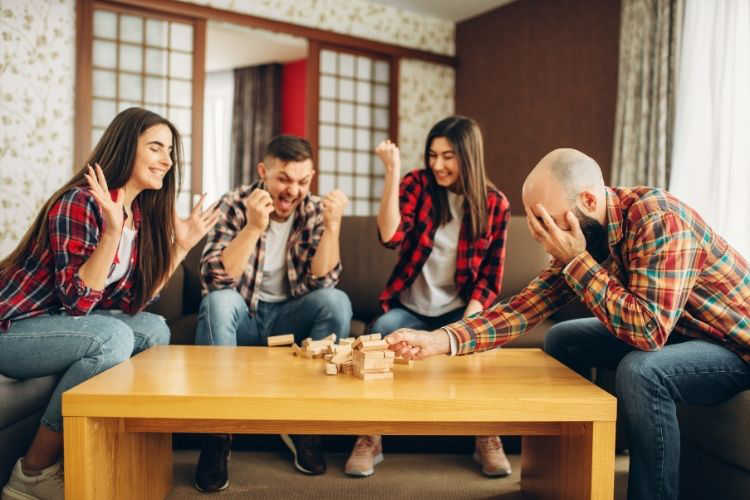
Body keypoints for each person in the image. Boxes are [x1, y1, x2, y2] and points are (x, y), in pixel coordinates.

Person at [385, 148, 750, 500]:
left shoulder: (659, 219)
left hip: (731, 346)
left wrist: (576, 260)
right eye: (535, 221)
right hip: (677, 334)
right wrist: (441, 339)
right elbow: (524, 308)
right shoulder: (586, 232)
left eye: (547, 220)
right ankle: (561, 478)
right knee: (563, 338)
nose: (540, 234)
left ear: (588, 201)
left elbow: (648, 332)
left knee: (642, 371)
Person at [0, 107, 217, 500]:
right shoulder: (80, 203)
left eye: (170, 151)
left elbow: (133, 302)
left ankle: (119, 448)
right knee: (110, 337)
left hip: (58, 327)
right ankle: (31, 473)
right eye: (155, 147)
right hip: (14, 331)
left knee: (153, 328)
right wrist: (111, 233)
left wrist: (181, 246)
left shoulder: (134, 214)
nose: (168, 160)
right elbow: (79, 304)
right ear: (124, 148)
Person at [344, 116, 512, 478]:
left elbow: (489, 280)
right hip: (410, 309)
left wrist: (468, 326)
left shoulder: (496, 204)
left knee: (480, 347)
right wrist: (392, 172)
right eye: (432, 155)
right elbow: (390, 235)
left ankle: (487, 436)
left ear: (469, 157)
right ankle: (370, 437)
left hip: (460, 311)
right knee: (380, 334)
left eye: (448, 156)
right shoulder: (417, 185)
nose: (437, 165)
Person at [193, 135, 353, 492]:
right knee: (217, 302)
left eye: (302, 181)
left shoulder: (313, 210)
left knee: (337, 301)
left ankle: (307, 425)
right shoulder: (235, 203)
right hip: (245, 316)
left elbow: (324, 279)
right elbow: (215, 278)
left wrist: (333, 226)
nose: (292, 190)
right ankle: (217, 433)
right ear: (263, 172)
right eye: (283, 178)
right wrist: (253, 227)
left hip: (289, 319)